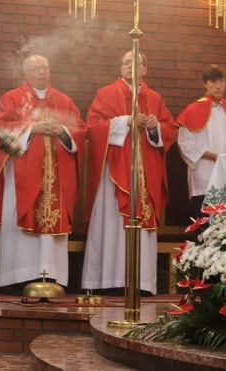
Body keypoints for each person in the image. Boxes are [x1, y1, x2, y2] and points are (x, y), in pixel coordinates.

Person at [0, 55, 87, 289]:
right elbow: (1, 131)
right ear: (26, 73)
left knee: (52, 223)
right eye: (36, 68)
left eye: (45, 67)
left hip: (56, 177)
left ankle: (52, 276)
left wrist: (62, 129)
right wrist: (32, 128)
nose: (42, 72)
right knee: (23, 218)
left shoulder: (63, 100)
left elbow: (80, 130)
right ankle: (18, 277)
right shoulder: (12, 98)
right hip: (23, 175)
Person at [81, 50, 176, 295]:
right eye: (125, 62)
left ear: (145, 69)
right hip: (115, 171)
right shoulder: (106, 93)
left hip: (145, 173)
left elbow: (169, 128)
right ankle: (108, 281)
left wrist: (155, 126)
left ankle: (141, 283)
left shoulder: (154, 97)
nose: (130, 66)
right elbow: (93, 126)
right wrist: (126, 121)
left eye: (136, 63)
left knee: (142, 221)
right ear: (120, 68)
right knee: (112, 222)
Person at [175, 64, 226, 210]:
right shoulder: (192, 110)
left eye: (221, 81)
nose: (218, 86)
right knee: (204, 225)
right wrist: (214, 157)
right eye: (213, 82)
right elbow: (186, 144)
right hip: (204, 174)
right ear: (205, 83)